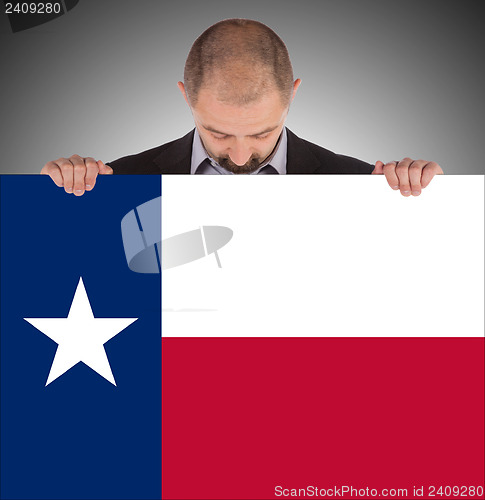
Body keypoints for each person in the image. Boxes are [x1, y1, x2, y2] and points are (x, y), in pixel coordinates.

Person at [41, 18, 443, 196]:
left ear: (292, 96)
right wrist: (59, 192)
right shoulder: (117, 184)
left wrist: (427, 194)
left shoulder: (362, 187)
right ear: (186, 96)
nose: (238, 157)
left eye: (261, 133)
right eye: (217, 132)